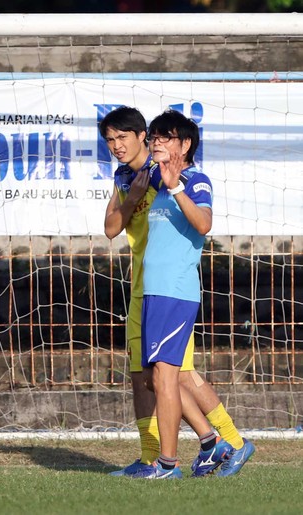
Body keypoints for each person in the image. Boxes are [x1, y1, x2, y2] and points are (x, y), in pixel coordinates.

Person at [100, 107, 254, 479]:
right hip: (146, 289)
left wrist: (172, 184)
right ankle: (174, 452)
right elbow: (110, 228)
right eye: (110, 140)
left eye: (125, 137)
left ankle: (213, 446)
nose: (117, 146)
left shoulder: (178, 177)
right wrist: (133, 195)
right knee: (147, 375)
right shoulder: (130, 178)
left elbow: (201, 222)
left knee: (176, 375)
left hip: (172, 290)